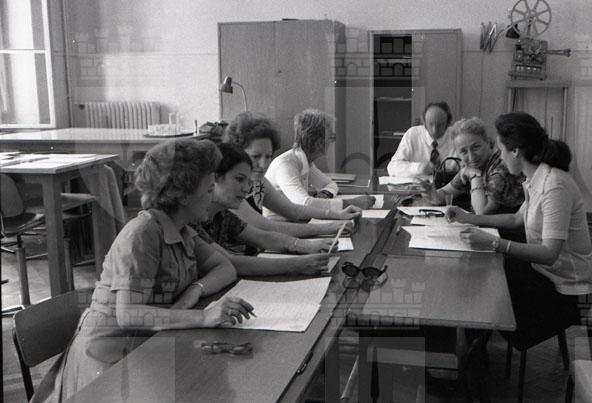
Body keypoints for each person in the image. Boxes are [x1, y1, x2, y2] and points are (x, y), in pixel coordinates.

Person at [32, 139, 254, 402]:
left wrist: (196, 290)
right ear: (183, 195)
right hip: (108, 360)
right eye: (208, 190)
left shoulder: (181, 229)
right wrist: (204, 317)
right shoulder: (142, 233)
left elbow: (225, 267)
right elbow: (128, 314)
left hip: (148, 344)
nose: (212, 195)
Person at [446, 112, 592, 347]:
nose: (501, 157)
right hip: (544, 273)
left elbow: (549, 253)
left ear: (515, 150)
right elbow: (517, 219)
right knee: (479, 275)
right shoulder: (536, 178)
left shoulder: (554, 185)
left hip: (566, 291)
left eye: (501, 150)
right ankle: (472, 346)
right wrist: (468, 218)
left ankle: (469, 349)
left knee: (483, 285)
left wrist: (495, 243)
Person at [197, 143, 337, 267]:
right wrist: (300, 263)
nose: (246, 188)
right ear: (215, 177)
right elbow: (230, 261)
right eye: (239, 180)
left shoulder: (223, 214)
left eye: (268, 156)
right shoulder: (195, 220)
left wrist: (305, 245)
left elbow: (263, 237)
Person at [222, 112, 361, 237]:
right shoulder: (229, 187)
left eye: (268, 156)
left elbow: (293, 210)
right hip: (274, 235)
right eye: (256, 156)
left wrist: (338, 215)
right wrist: (329, 227)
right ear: (237, 153)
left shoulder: (259, 181)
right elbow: (266, 227)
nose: (263, 165)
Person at [264, 109, 375, 219]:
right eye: (330, 138)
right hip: (280, 224)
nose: (331, 142)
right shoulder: (285, 165)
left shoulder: (305, 161)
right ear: (317, 142)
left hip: (296, 221)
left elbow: (330, 184)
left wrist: (324, 194)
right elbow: (304, 204)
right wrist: (351, 203)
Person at [420, 117, 524, 215]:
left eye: (476, 147)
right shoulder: (473, 166)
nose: (471, 156)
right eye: (463, 151)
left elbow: (481, 212)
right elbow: (445, 194)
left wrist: (475, 176)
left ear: (488, 142)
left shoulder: (500, 167)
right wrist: (432, 194)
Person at [387, 101, 457, 178]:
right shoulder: (413, 134)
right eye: (430, 124)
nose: (434, 131)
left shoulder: (457, 136)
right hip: (417, 185)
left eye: (440, 125)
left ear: (448, 123)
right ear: (424, 122)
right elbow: (392, 168)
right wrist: (418, 168)